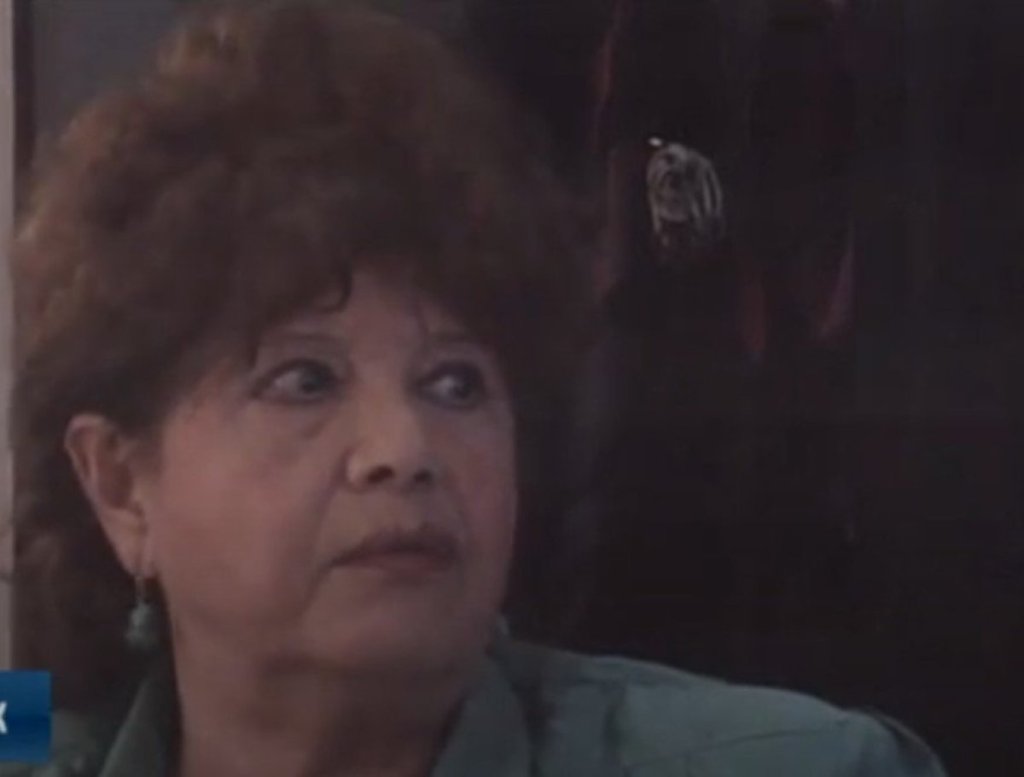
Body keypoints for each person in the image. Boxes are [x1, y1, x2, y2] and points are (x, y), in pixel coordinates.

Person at [5, 2, 946, 776]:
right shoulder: (35, 739)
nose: (404, 449)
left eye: (455, 383)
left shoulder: (806, 765)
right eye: (304, 380)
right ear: (120, 485)